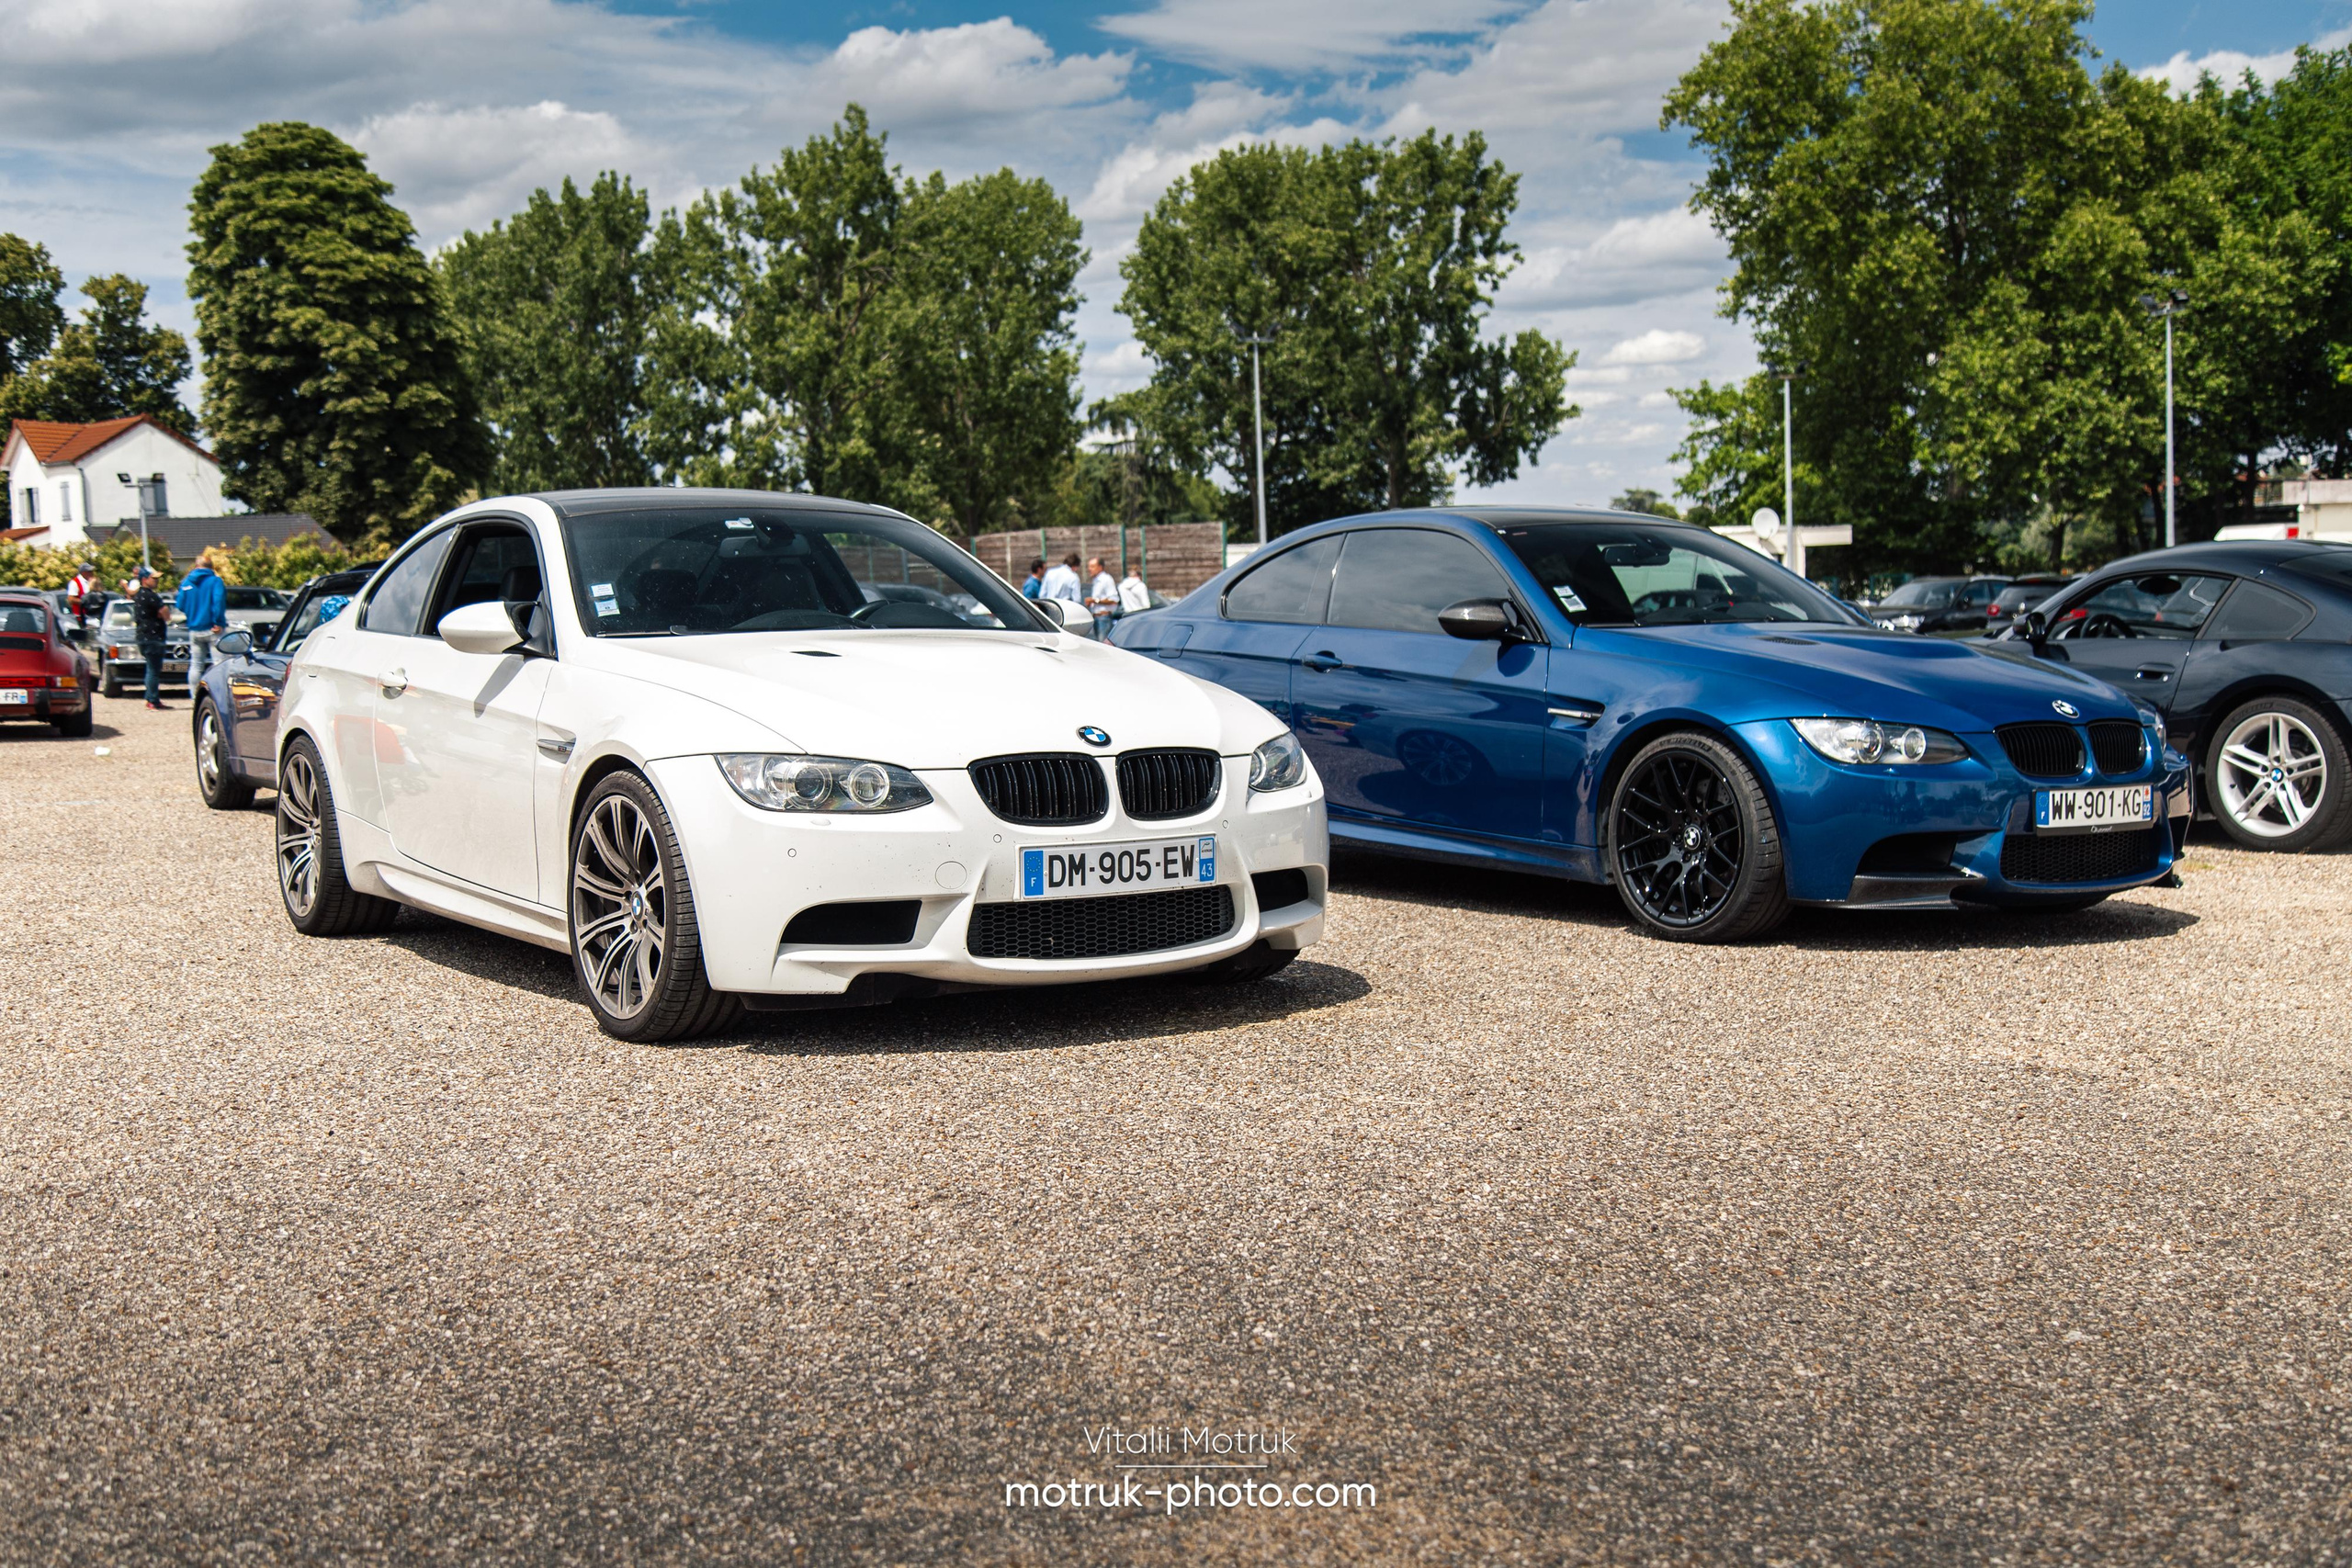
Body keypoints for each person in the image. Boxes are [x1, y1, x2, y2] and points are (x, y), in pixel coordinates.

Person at [175, 547, 229, 691]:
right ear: (211, 567)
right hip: (213, 629)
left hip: (194, 628)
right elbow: (218, 602)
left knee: (196, 665)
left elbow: (180, 604)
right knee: (219, 664)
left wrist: (192, 613)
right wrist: (217, 621)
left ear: (196, 566)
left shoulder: (186, 583)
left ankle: (194, 697)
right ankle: (219, 694)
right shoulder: (215, 581)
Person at [130, 564, 170, 710]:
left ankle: (150, 697)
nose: (156, 581)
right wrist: (162, 614)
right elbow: (165, 613)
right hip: (153, 637)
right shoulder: (150, 596)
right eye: (153, 578)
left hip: (142, 636)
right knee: (154, 670)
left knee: (150, 669)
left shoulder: (138, 595)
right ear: (145, 579)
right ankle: (153, 699)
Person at [1084, 557, 1119, 626]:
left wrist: (1094, 601)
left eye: (1092, 566)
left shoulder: (1106, 579)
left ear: (1100, 567)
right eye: (1089, 567)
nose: (1089, 569)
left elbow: (1114, 600)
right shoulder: (1096, 580)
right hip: (1096, 617)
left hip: (1104, 618)